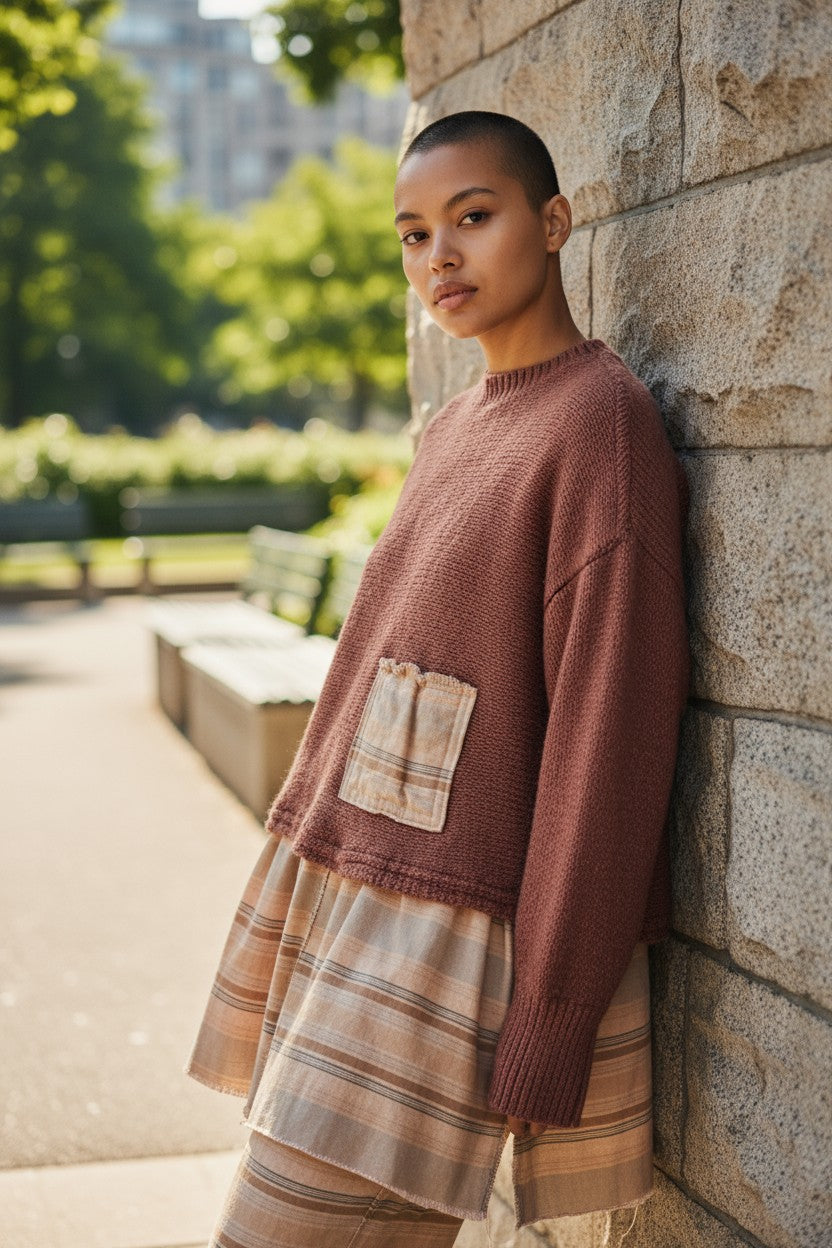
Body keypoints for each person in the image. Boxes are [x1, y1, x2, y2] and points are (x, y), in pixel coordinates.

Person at [185, 110, 690, 1247]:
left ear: (553, 223)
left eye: (473, 217)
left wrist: (552, 1014)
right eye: (412, 235)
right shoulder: (456, 424)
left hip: (451, 949)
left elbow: (606, 747)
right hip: (358, 907)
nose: (439, 258)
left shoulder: (598, 429)